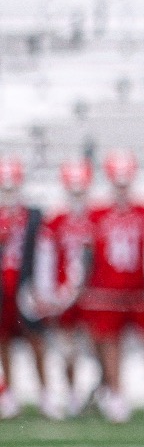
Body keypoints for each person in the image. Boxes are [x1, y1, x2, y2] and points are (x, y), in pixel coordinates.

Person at [79, 150, 144, 423]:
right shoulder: (96, 213)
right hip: (106, 290)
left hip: (139, 290)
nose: (121, 188)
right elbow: (84, 255)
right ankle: (116, 396)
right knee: (110, 343)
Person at [35, 158, 95, 420]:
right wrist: (52, 292)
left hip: (93, 294)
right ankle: (72, 394)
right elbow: (46, 258)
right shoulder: (56, 220)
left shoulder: (96, 218)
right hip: (65, 294)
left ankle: (99, 392)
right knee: (67, 347)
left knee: (97, 344)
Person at [0, 157, 47, 419]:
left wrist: (41, 285)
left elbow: (45, 250)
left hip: (26, 284)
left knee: (35, 340)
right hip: (2, 288)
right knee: (4, 342)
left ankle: (45, 393)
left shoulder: (32, 215)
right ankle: (9, 394)